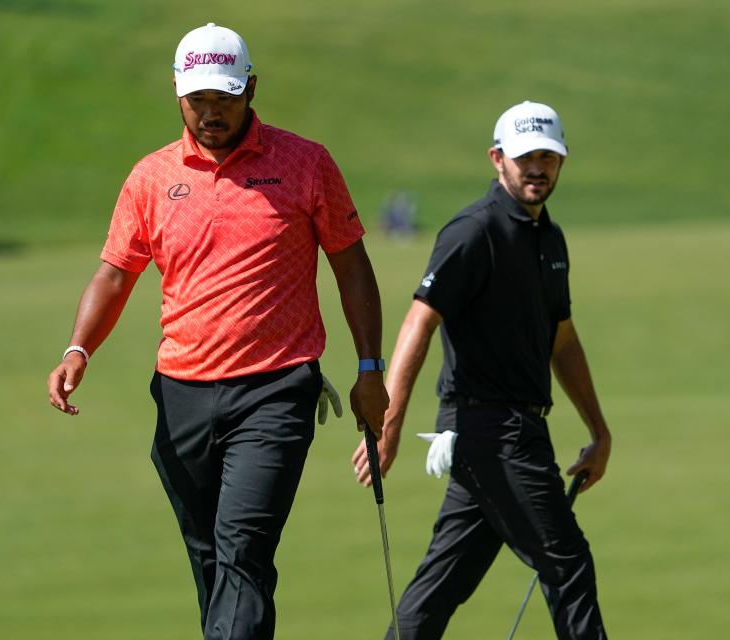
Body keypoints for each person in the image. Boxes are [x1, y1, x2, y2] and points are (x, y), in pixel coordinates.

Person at [47, 23, 389, 640]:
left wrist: (370, 369)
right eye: (198, 100)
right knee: (214, 562)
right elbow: (115, 274)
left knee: (242, 551)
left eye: (225, 99)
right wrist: (79, 349)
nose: (211, 113)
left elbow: (353, 268)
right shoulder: (150, 177)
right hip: (180, 393)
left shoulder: (305, 163)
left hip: (275, 390)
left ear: (252, 88)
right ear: (176, 94)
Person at [351, 101, 611, 639]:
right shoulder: (474, 231)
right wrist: (391, 422)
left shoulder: (549, 239)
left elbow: (561, 339)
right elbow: (418, 323)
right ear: (497, 159)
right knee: (568, 563)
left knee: (443, 583)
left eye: (548, 156)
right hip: (492, 431)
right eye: (525, 157)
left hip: (513, 431)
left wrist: (598, 430)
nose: (537, 168)